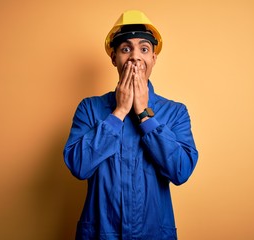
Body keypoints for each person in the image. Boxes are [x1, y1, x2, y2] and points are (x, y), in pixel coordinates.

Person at [63, 10, 198, 240]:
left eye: (144, 49)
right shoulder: (89, 108)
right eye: (126, 49)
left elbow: (181, 171)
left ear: (153, 58)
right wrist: (119, 112)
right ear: (114, 57)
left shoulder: (175, 112)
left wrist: (144, 115)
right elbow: (78, 166)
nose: (135, 56)